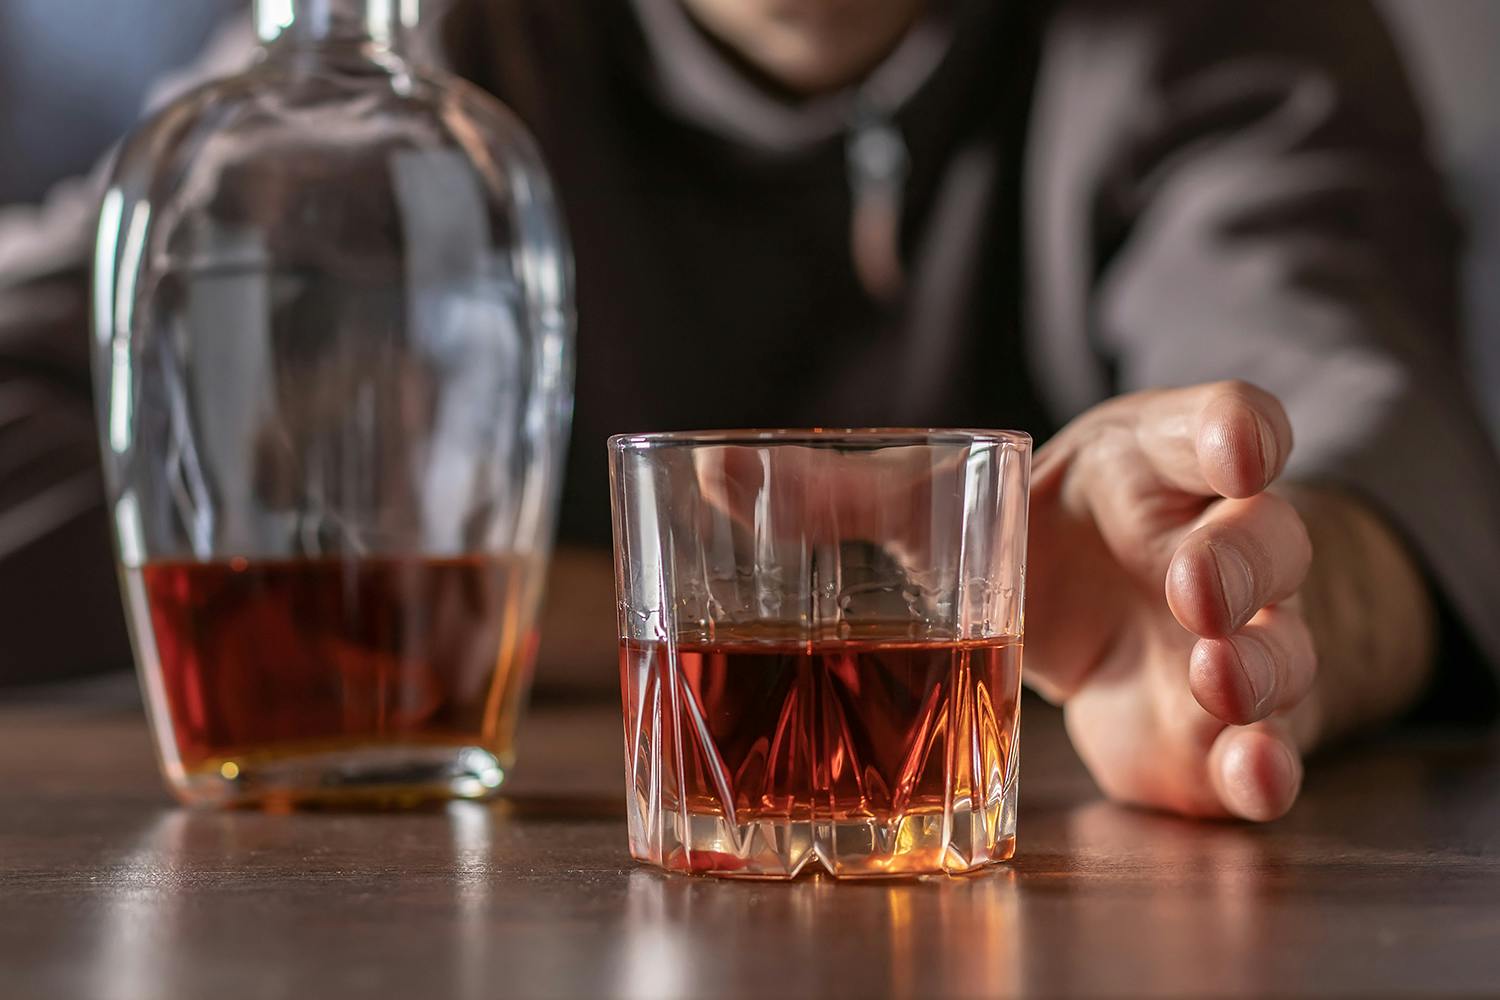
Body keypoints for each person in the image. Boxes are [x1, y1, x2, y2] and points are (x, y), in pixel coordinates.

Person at [2, 0, 1498, 823]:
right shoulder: (425, 58)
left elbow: (1371, 448)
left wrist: (1251, 626)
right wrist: (548, 620)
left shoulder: (1226, 33)